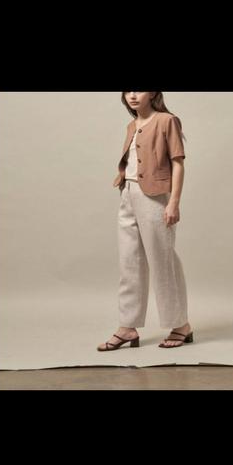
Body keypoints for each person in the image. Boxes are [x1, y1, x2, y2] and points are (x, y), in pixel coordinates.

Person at [97, 92, 193, 351]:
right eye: (128, 90)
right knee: (129, 262)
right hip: (127, 194)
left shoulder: (166, 121)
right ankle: (127, 326)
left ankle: (181, 325)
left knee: (163, 261)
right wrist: (122, 175)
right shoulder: (131, 125)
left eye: (139, 90)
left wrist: (173, 202)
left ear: (152, 93)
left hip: (155, 197)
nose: (132, 95)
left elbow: (177, 163)